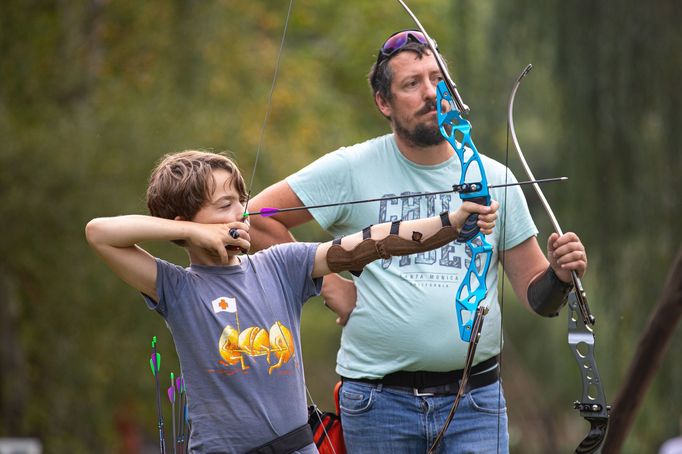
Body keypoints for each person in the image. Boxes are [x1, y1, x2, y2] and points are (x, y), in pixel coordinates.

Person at [248, 30, 589, 453]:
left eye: (437, 78)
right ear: (384, 103)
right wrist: (327, 282)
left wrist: (557, 274)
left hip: (476, 403)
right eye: (412, 84)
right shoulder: (352, 167)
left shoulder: (495, 177)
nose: (430, 92)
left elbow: (539, 298)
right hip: (377, 403)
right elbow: (257, 217)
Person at [85, 149, 498, 453]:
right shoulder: (176, 288)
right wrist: (194, 234)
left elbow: (367, 243)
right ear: (183, 225)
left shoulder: (282, 264)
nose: (241, 215)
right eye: (225, 206)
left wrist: (451, 224)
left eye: (242, 203)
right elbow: (99, 232)